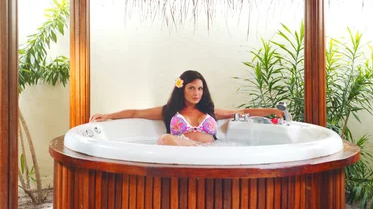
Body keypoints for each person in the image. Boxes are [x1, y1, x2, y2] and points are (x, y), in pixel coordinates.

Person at [89, 70, 284, 147]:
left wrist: (271, 111)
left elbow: (242, 113)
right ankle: (195, 149)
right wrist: (107, 116)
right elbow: (135, 113)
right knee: (164, 139)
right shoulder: (169, 111)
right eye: (191, 88)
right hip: (181, 154)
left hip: (211, 153)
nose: (196, 93)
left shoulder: (211, 112)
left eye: (200, 89)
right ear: (182, 89)